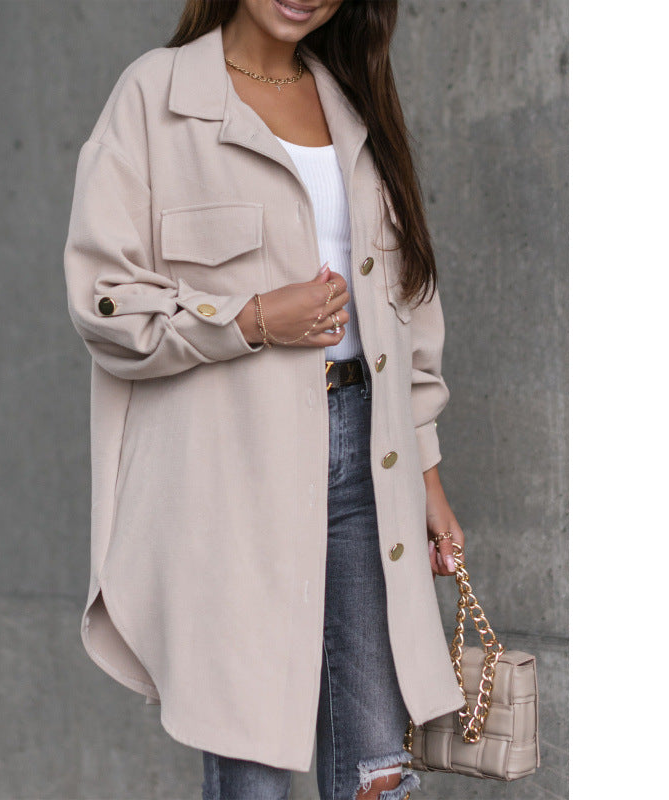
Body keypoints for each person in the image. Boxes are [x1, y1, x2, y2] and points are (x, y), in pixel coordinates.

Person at [63, 1, 469, 798]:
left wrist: (426, 477)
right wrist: (249, 319)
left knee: (377, 769)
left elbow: (406, 312)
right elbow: (103, 299)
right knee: (251, 756)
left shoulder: (351, 102)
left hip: (369, 462)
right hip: (232, 474)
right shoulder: (156, 96)